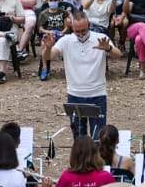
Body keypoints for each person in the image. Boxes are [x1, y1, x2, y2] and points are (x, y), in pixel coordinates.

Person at [51, 9, 119, 138]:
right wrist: (48, 47)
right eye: (77, 31)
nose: (81, 34)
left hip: (97, 94)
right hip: (74, 94)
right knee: (78, 138)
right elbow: (49, 56)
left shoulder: (100, 38)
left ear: (89, 25)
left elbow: (118, 54)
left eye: (84, 30)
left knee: (98, 137)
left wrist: (109, 48)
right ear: (72, 27)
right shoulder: (66, 40)